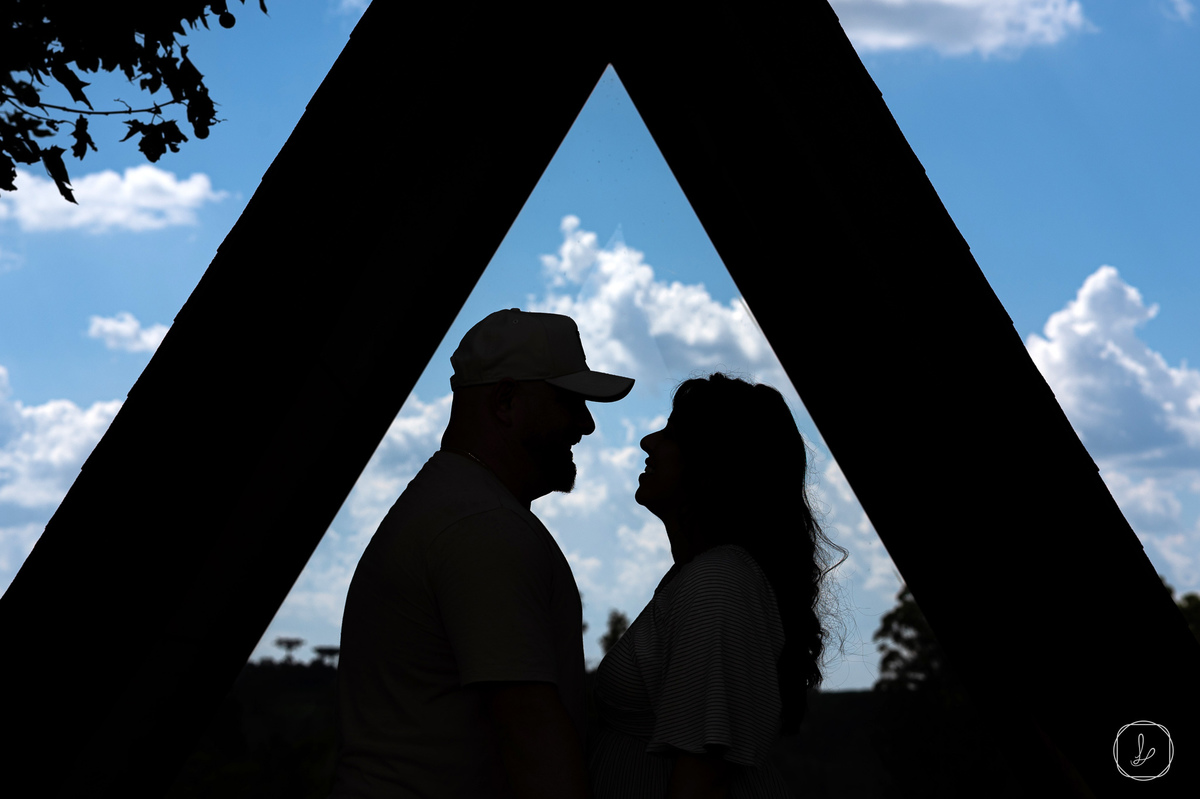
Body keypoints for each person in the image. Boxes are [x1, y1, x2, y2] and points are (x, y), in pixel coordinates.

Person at [331, 309, 634, 798]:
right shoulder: (482, 528)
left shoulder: (452, 505)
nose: (587, 424)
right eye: (569, 401)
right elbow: (533, 742)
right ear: (507, 401)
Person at [588, 373, 846, 799]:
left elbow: (701, 777)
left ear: (715, 464)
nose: (648, 442)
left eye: (672, 433)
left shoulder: (718, 582)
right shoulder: (705, 577)